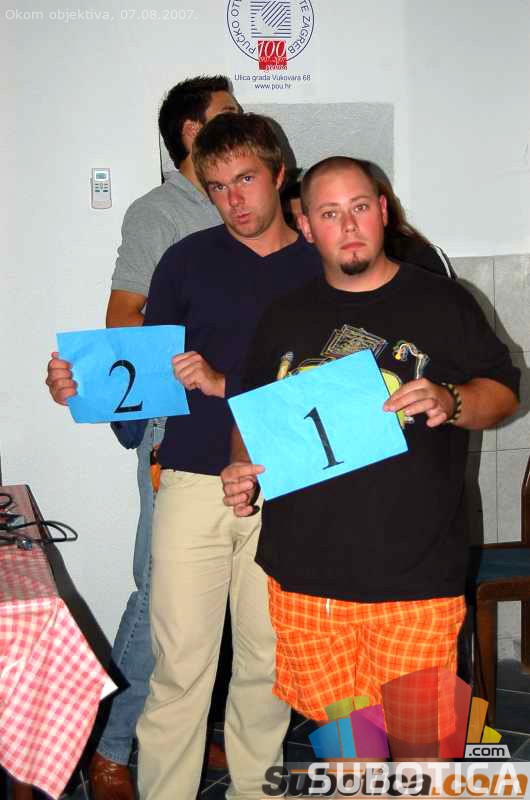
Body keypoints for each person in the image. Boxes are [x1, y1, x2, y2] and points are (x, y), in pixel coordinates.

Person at [220, 156, 519, 743]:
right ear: (306, 226)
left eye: (360, 207)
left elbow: (504, 394)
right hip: (307, 580)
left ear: (383, 211)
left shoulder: (444, 303)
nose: (349, 225)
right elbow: (252, 415)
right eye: (330, 213)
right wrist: (240, 468)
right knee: (348, 761)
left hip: (415, 580)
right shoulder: (282, 316)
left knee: (420, 755)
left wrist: (452, 399)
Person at [45, 75, 238, 800]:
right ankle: (112, 747)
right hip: (174, 421)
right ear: (191, 133)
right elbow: (123, 315)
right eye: (228, 114)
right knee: (161, 586)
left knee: (223, 584)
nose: (242, 122)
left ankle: (190, 726)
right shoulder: (161, 212)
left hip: (236, 416)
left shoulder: (240, 205)